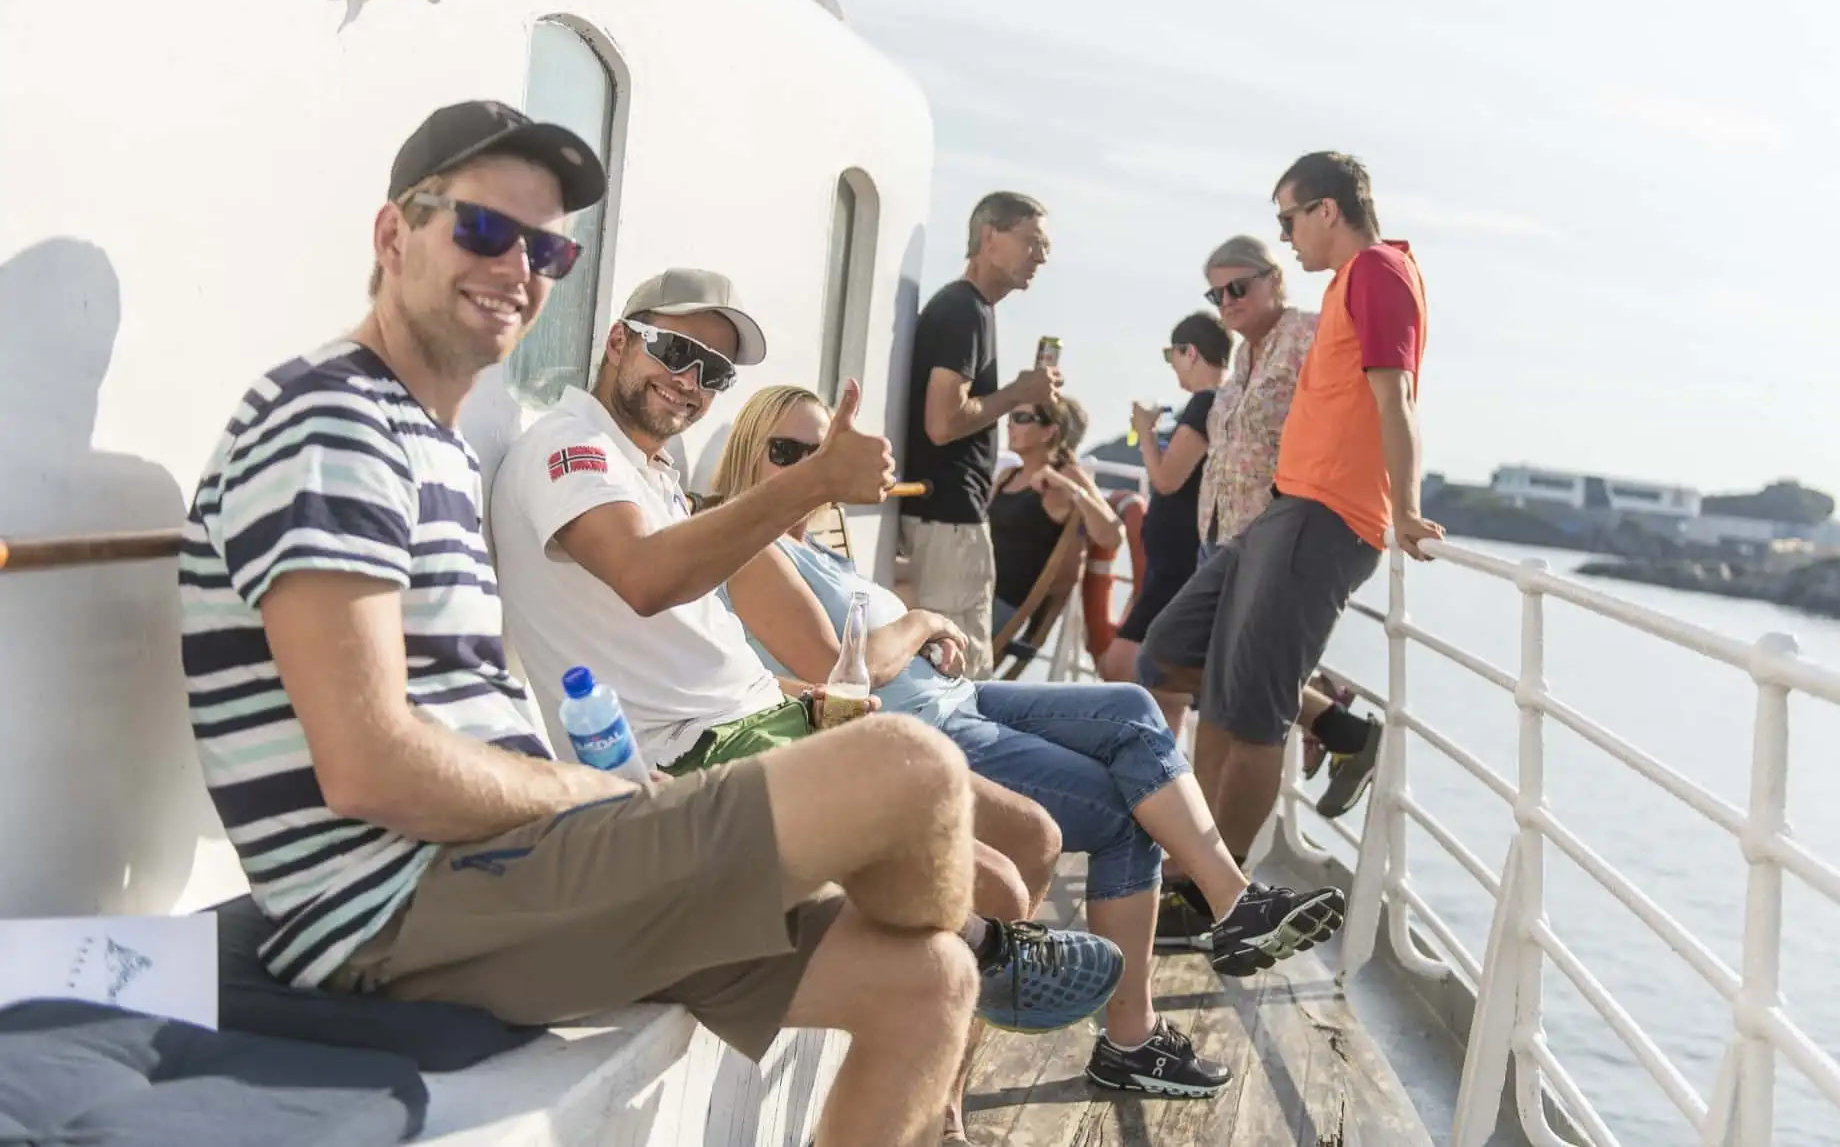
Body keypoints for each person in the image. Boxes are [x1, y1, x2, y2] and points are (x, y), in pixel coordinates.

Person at [179, 103, 969, 1147]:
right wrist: (597, 794)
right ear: (391, 236)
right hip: (397, 905)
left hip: (505, 874)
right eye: (480, 230)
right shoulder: (331, 421)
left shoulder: (436, 443)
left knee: (928, 981)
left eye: (546, 246)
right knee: (908, 771)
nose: (517, 266)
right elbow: (367, 768)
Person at [484, 270, 1123, 1140]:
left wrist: (808, 696)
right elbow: (642, 578)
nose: (691, 380)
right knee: (988, 872)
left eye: (713, 372)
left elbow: (700, 650)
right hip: (693, 765)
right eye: (676, 350)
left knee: (1022, 834)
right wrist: (812, 479)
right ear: (619, 339)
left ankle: (962, 1027)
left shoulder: (653, 469)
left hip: (766, 723)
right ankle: (980, 972)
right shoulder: (572, 447)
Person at [715, 386, 1357, 1099]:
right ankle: (1138, 1031)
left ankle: (1229, 908)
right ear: (747, 452)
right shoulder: (747, 543)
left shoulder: (811, 543)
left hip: (959, 698)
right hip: (923, 735)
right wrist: (924, 621)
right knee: (1128, 808)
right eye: (786, 453)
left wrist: (931, 648)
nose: (807, 468)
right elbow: (836, 663)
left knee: (1132, 707)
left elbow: (870, 640)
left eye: (820, 452)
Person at [1139, 152, 1444, 946]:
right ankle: (1196, 871)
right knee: (1172, 652)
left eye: (1289, 219)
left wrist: (1406, 508)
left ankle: (1219, 898)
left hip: (1326, 515)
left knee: (1253, 712)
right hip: (1279, 512)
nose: (1287, 236)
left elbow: (1395, 394)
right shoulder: (1349, 284)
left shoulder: (1378, 270)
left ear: (1329, 211)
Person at [900, 192, 1062, 677]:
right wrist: (1018, 393)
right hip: (951, 516)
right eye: (1033, 242)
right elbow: (943, 422)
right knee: (962, 672)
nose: (1042, 257)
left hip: (943, 514)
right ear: (989, 237)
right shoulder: (964, 311)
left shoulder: (967, 309)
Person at [1099, 311, 1230, 733]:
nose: (1172, 365)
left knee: (1128, 666)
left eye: (1171, 355)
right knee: (1163, 687)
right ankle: (1159, 778)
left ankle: (1157, 776)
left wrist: (1143, 431)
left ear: (1189, 351)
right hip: (1176, 559)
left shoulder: (1206, 402)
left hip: (1179, 563)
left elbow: (1167, 479)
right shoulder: (1222, 403)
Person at [1194, 236, 1316, 558]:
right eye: (1216, 294)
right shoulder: (1244, 352)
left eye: (1237, 288)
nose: (1226, 301)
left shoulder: (1308, 336)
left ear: (1274, 280)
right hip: (1216, 535)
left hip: (1267, 540)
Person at [987, 395, 1122, 644]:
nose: (1010, 424)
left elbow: (1112, 536)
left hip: (997, 602)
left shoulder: (1065, 477)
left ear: (1049, 432)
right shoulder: (1008, 475)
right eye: (1010, 417)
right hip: (974, 585)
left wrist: (1066, 485)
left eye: (1021, 418)